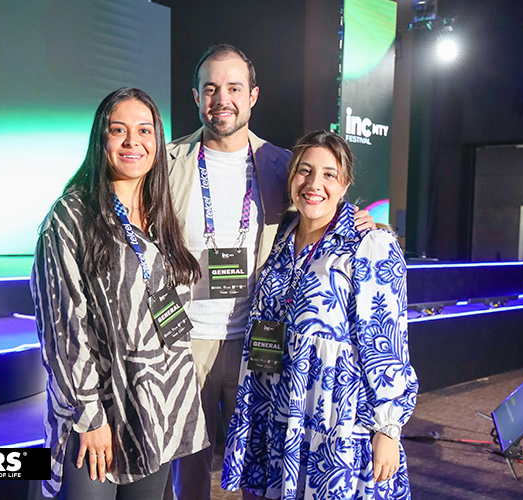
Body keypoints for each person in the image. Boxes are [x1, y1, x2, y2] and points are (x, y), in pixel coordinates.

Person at [166, 45, 376, 500]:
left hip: (258, 341)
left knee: (257, 460)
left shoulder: (283, 165)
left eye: (234, 88)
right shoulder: (166, 164)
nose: (223, 98)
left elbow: (320, 205)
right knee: (187, 472)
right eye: (211, 88)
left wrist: (368, 224)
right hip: (184, 339)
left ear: (253, 95)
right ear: (196, 96)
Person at [221, 130, 419, 500]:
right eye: (305, 171)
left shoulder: (369, 244)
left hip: (334, 420)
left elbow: (386, 344)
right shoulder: (280, 239)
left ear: (345, 184)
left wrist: (388, 429)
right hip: (275, 407)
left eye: (329, 174)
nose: (315, 183)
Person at [31, 88, 208, 499]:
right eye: (118, 130)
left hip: (158, 407)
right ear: (101, 140)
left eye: (145, 130)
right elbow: (63, 329)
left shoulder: (162, 213)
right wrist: (90, 417)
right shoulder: (71, 216)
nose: (133, 142)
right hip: (98, 411)